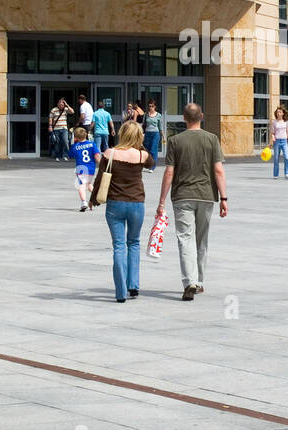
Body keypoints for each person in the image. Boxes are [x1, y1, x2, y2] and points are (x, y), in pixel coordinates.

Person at [155, 102, 227, 301]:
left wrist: (161, 202)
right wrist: (224, 198)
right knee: (201, 240)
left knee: (185, 239)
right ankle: (200, 281)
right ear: (201, 116)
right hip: (205, 196)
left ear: (184, 118)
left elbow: (169, 171)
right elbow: (219, 170)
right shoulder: (212, 139)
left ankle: (190, 282)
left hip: (182, 196)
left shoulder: (175, 141)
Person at [93, 121, 155, 302]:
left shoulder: (109, 153)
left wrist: (93, 200)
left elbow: (99, 178)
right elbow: (151, 163)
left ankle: (120, 292)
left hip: (115, 204)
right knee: (134, 243)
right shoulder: (142, 155)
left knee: (119, 245)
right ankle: (133, 286)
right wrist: (139, 144)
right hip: (136, 204)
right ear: (138, 136)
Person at [69, 124, 101, 211]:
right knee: (88, 184)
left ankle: (84, 202)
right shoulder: (92, 144)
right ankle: (96, 197)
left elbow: (71, 155)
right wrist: (101, 164)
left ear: (76, 137)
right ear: (86, 134)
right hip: (91, 168)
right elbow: (97, 156)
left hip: (81, 167)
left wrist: (73, 143)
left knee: (82, 185)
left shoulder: (75, 146)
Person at [269, 106, 288, 179]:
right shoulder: (274, 122)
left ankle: (287, 173)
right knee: (276, 158)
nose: (278, 113)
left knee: (286, 157)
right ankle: (276, 174)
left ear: (282, 113)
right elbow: (272, 132)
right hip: (277, 141)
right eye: (277, 112)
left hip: (284, 141)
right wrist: (273, 137)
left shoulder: (286, 122)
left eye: (280, 112)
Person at [143, 100, 162, 166]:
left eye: (152, 106)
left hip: (155, 134)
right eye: (149, 106)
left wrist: (163, 135)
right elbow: (144, 124)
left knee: (153, 149)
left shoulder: (158, 115)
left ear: (155, 106)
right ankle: (148, 164)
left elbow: (160, 126)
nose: (151, 107)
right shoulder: (146, 114)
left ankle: (152, 166)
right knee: (147, 150)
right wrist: (143, 133)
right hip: (148, 133)